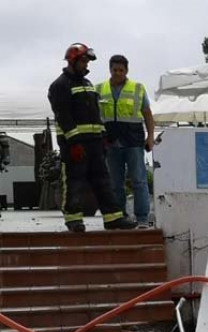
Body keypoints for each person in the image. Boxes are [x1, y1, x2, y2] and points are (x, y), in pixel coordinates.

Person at [48, 43, 135, 232]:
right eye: (84, 61)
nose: (86, 64)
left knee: (103, 181)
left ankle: (112, 218)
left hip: (95, 143)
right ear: (73, 61)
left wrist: (103, 136)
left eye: (87, 61)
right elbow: (63, 116)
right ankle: (73, 220)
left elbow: (95, 114)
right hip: (75, 145)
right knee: (74, 182)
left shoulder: (88, 85)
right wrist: (74, 143)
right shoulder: (59, 85)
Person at [96, 54, 154, 228]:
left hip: (133, 141)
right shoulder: (99, 89)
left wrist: (150, 137)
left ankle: (142, 218)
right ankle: (119, 217)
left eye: (121, 70)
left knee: (139, 181)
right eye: (115, 70)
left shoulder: (138, 88)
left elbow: (148, 115)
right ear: (110, 70)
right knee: (115, 183)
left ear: (127, 71)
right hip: (110, 142)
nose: (118, 73)